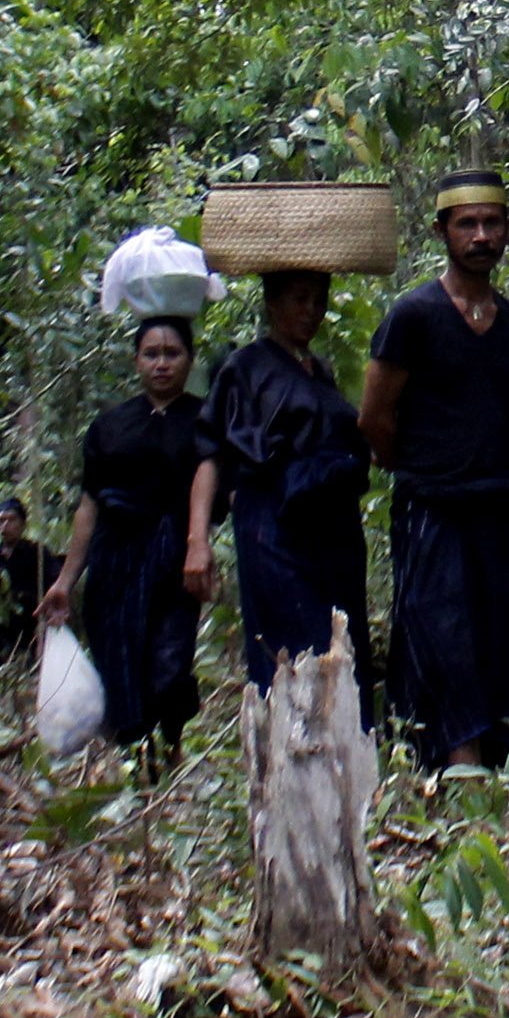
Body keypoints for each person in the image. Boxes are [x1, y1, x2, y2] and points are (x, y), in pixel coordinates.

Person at [363, 172, 509, 770]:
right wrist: (422, 471)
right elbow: (376, 418)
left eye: (491, 223)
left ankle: (507, 763)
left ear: (508, 229)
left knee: (501, 637)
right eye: (467, 224)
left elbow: (507, 409)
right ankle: (454, 764)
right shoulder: (412, 316)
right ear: (441, 230)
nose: (481, 236)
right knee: (439, 632)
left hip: (496, 505)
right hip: (431, 506)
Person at [191, 268, 379, 721]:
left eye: (318, 300)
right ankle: (293, 761)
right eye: (299, 299)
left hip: (333, 531)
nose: (310, 311)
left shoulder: (322, 371)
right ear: (272, 302)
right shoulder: (245, 367)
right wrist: (197, 541)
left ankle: (346, 768)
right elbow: (211, 453)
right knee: (292, 645)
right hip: (274, 527)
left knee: (341, 644)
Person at [38, 315, 212, 770]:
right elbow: (89, 506)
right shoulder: (109, 427)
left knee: (170, 666)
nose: (161, 364)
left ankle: (170, 739)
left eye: (171, 353)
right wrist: (66, 580)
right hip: (115, 561)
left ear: (189, 360)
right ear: (136, 361)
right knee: (120, 666)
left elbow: (216, 488)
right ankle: (138, 771)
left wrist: (199, 547)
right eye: (151, 354)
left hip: (175, 556)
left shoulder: (204, 421)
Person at [0, 496, 54, 671]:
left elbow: (54, 589)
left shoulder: (38, 554)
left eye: (11, 520)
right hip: (3, 637)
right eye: (1, 521)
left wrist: (45, 624)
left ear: (22, 523)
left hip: (35, 631)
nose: (5, 526)